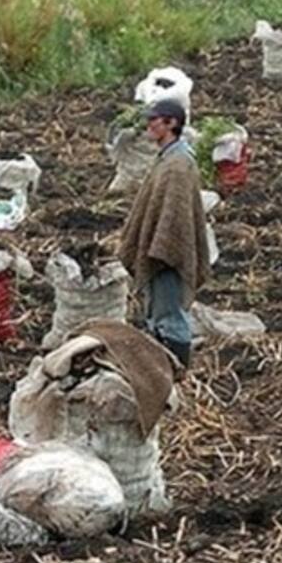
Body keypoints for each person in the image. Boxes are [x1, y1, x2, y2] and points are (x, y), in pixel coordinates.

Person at [119, 98, 210, 367]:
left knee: (170, 317)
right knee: (158, 314)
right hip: (159, 248)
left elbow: (176, 217)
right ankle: (164, 367)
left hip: (168, 253)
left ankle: (177, 369)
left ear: (171, 123)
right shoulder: (167, 158)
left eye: (154, 119)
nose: (148, 125)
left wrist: (164, 247)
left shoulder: (178, 164)